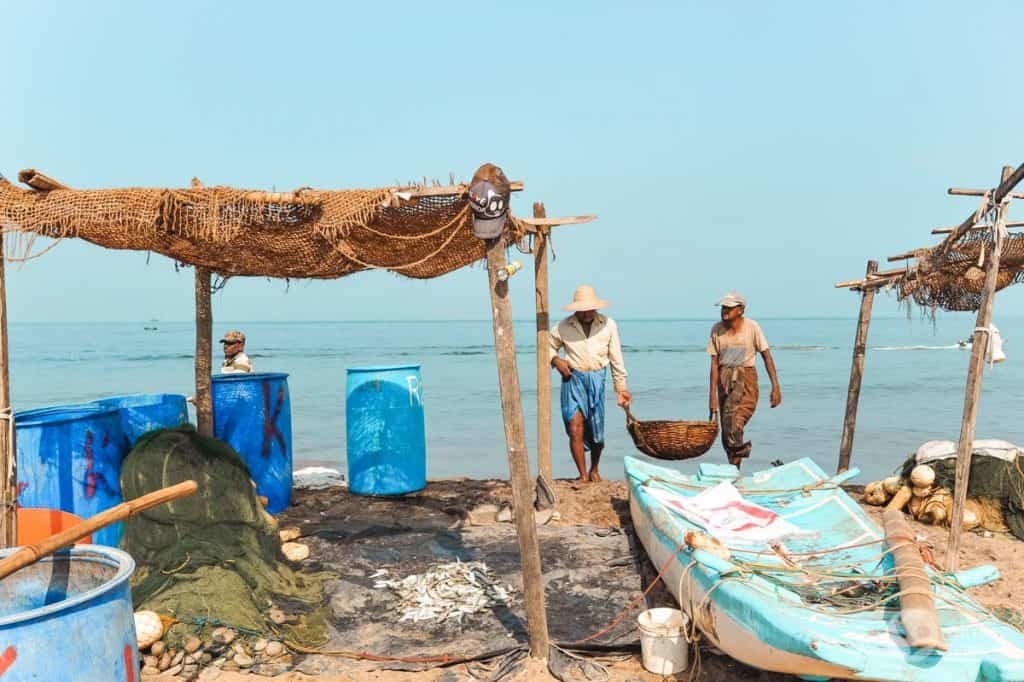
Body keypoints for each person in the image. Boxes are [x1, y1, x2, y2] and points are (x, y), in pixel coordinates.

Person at [550, 285, 632, 483]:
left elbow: (616, 358)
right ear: (576, 309)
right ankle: (583, 475)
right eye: (582, 309)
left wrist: (621, 389)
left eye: (590, 309)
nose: (586, 313)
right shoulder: (563, 326)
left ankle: (594, 469)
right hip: (573, 380)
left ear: (596, 308)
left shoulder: (608, 325)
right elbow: (545, 345)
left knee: (597, 431)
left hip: (597, 379)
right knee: (574, 427)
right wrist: (556, 360)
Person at [707, 292, 781, 468]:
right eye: (723, 308)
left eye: (729, 308)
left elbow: (767, 356)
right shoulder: (717, 329)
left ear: (740, 310)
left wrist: (775, 387)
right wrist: (712, 397)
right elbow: (714, 364)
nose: (725, 311)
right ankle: (735, 470)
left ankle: (739, 460)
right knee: (727, 430)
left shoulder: (752, 327)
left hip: (746, 380)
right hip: (724, 382)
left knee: (736, 423)